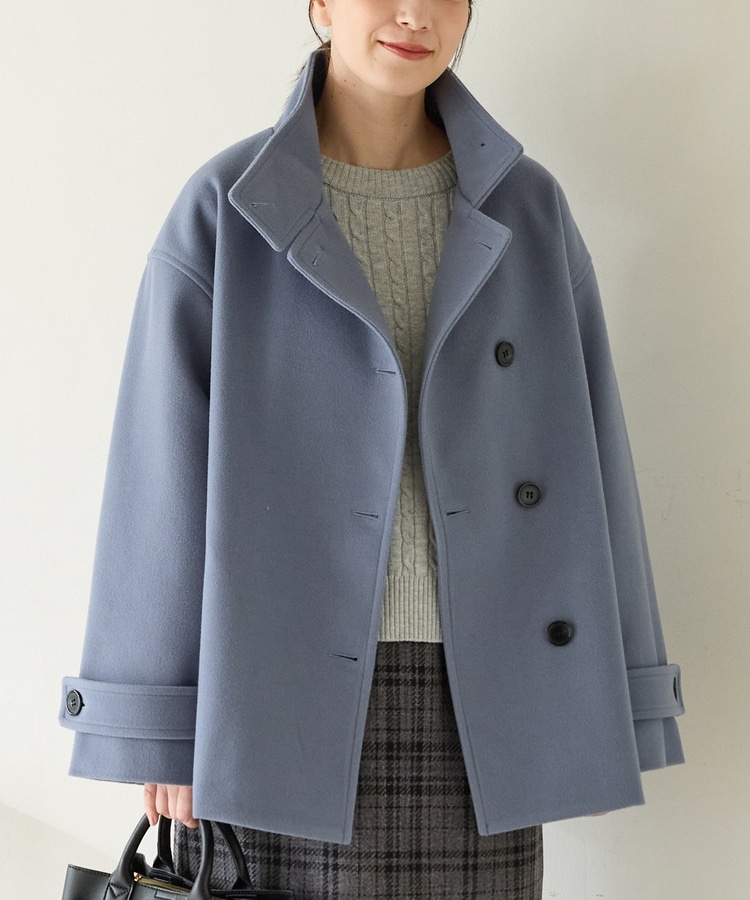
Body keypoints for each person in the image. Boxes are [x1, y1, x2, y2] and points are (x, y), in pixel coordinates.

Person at [60, 1, 685, 897]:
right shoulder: (228, 205)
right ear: (319, 4)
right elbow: (159, 472)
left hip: (485, 701)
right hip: (268, 703)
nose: (414, 13)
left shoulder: (529, 207)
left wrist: (604, 706)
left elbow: (590, 462)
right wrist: (158, 723)